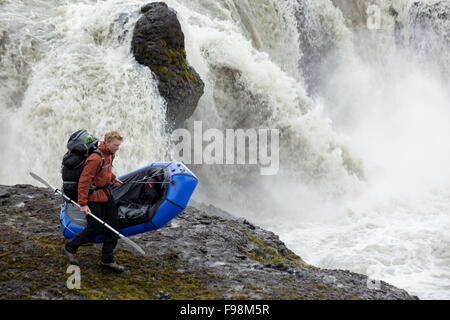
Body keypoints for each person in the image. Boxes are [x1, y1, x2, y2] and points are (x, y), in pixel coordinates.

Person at [62, 130, 125, 273]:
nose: (117, 148)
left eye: (119, 145)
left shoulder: (110, 154)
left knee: (114, 226)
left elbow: (106, 170)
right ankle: (70, 247)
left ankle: (107, 260)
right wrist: (83, 204)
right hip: (93, 197)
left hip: (106, 194)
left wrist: (113, 178)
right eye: (115, 145)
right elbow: (84, 181)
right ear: (107, 142)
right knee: (95, 227)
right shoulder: (95, 158)